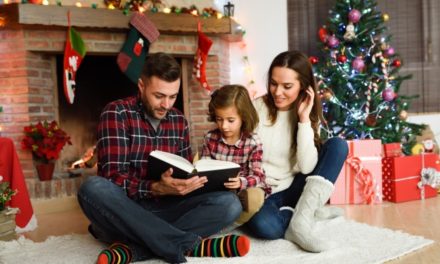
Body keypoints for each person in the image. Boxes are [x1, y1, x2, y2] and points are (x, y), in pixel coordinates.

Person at [77, 53, 250, 264]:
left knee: (230, 204)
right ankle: (190, 244)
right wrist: (154, 188)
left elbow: (185, 168)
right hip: (127, 209)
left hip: (166, 207)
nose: (166, 104)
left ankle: (137, 248)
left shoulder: (179, 120)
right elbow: (112, 178)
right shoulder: (116, 113)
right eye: (159, 96)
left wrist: (191, 184)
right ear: (141, 86)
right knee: (92, 188)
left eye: (172, 96)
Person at [246, 50, 348, 253]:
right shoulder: (256, 108)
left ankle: (302, 219)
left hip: (295, 185)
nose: (277, 92)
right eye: (274, 83)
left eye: (287, 86)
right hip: (264, 191)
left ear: (303, 85)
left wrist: (303, 120)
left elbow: (307, 166)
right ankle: (307, 215)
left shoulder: (307, 112)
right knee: (264, 226)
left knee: (338, 145)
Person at [201, 84, 271, 230]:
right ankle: (218, 221)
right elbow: (204, 167)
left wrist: (241, 182)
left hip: (243, 190)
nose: (224, 126)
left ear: (243, 117)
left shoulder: (252, 141)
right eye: (219, 119)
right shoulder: (210, 138)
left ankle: (232, 225)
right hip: (219, 193)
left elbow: (258, 176)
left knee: (254, 198)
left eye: (230, 120)